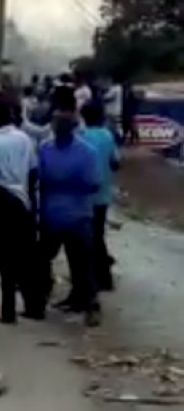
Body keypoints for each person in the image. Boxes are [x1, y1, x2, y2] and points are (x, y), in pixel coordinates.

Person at [37, 92, 103, 327]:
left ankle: (87, 304)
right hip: (63, 215)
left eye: (62, 124)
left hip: (69, 215)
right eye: (57, 123)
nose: (59, 127)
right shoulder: (81, 152)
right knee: (73, 263)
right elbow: (92, 182)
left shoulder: (53, 150)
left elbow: (93, 183)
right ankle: (77, 301)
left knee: (80, 264)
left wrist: (58, 181)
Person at [0, 98, 42, 323]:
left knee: (1, 255)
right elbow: (34, 170)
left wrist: (4, 193)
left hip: (0, 204)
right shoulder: (24, 138)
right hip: (23, 202)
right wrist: (30, 199)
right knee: (24, 254)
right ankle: (33, 306)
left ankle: (8, 311)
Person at [80, 102, 120, 292]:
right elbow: (116, 162)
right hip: (103, 194)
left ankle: (98, 278)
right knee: (97, 235)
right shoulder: (107, 135)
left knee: (89, 239)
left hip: (84, 197)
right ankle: (102, 276)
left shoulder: (80, 137)